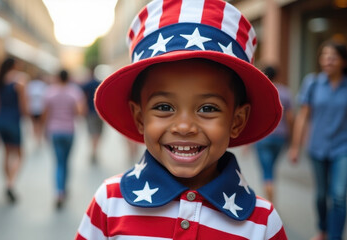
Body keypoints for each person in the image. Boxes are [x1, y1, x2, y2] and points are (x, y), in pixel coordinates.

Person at [75, 0, 287, 239]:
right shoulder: (109, 203)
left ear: (237, 121)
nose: (184, 127)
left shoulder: (262, 223)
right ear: (139, 117)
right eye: (164, 107)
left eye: (207, 108)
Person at [289, 39, 347, 240]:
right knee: (321, 195)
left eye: (333, 56)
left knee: (339, 196)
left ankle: (335, 236)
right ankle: (322, 228)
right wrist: (295, 147)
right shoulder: (312, 83)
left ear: (343, 61)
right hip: (317, 147)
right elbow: (303, 116)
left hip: (343, 148)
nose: (328, 60)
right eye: (324, 56)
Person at [42, 69, 86, 209]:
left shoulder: (50, 91)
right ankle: (63, 189)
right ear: (69, 78)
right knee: (66, 161)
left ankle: (59, 192)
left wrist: (44, 129)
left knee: (58, 162)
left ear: (57, 77)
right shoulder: (74, 91)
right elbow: (80, 112)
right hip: (69, 131)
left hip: (54, 131)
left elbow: (45, 112)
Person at [254, 66, 294, 203]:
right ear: (277, 75)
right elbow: (290, 118)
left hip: (263, 136)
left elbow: (254, 116)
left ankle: (270, 200)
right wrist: (291, 138)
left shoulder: (260, 91)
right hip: (280, 138)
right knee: (272, 167)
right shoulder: (285, 92)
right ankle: (271, 197)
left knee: (267, 170)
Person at [0, 57, 28, 203]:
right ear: (14, 66)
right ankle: (10, 183)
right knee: (20, 154)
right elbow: (23, 104)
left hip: (1, 119)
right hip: (14, 120)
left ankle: (7, 181)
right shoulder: (19, 81)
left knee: (7, 153)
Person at [81, 66, 104, 164]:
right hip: (99, 112)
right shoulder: (99, 83)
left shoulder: (86, 85)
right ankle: (95, 150)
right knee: (98, 133)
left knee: (91, 132)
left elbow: (82, 98)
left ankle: (93, 150)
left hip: (90, 112)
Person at [26, 74, 48, 144]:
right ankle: (38, 138)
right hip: (40, 108)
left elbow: (28, 97)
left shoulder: (31, 85)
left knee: (34, 124)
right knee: (40, 124)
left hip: (33, 108)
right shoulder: (43, 85)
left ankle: (36, 137)